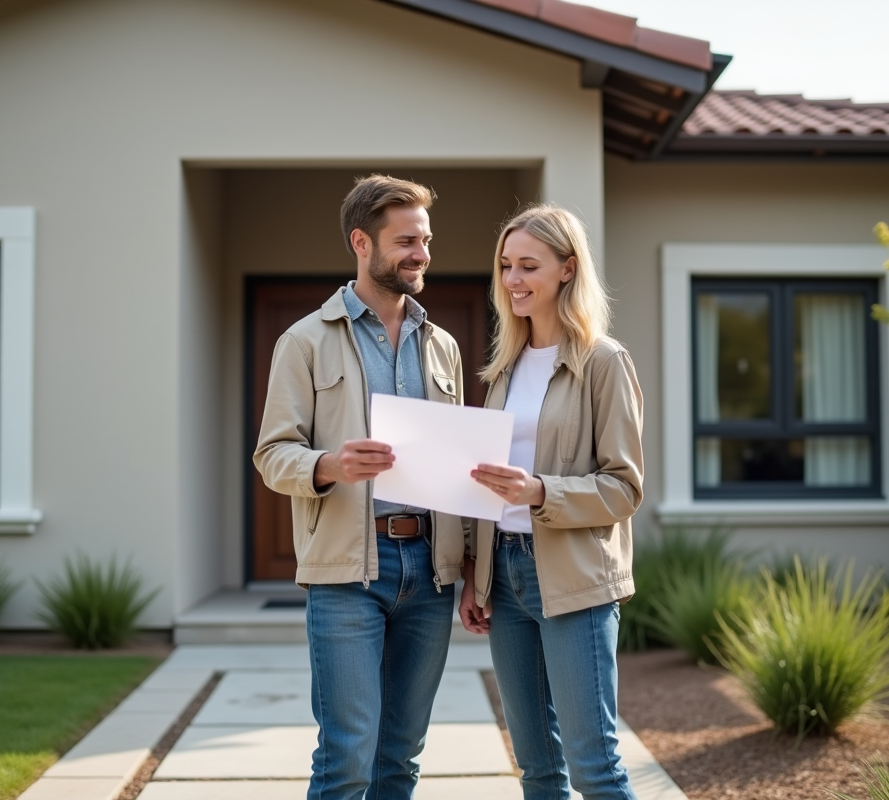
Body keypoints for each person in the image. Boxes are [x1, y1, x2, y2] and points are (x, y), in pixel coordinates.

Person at [253, 175, 466, 800]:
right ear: (362, 243)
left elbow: (455, 463)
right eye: (406, 241)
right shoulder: (304, 341)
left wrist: (470, 567)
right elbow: (272, 455)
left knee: (400, 758)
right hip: (347, 574)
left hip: (429, 572)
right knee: (347, 757)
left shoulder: (443, 347)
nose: (422, 254)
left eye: (425, 240)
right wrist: (329, 466)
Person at [459, 204, 644, 800]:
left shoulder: (604, 362)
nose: (513, 280)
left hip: (572, 580)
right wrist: (476, 577)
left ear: (567, 269)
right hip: (507, 580)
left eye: (528, 266)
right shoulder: (505, 369)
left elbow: (624, 488)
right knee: (537, 769)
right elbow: (486, 486)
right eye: (506, 266)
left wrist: (541, 492)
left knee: (594, 767)